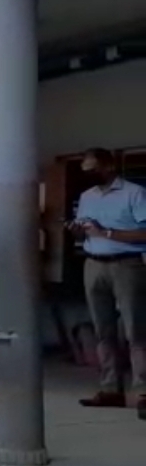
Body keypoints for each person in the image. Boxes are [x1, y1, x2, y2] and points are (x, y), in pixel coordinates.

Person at [69, 148, 146, 419]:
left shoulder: (134, 193)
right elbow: (85, 231)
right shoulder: (87, 196)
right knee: (103, 330)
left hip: (127, 265)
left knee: (136, 330)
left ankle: (143, 392)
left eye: (93, 169)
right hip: (93, 263)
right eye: (85, 170)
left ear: (109, 165)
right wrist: (77, 232)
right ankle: (110, 388)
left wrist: (107, 232)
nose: (89, 174)